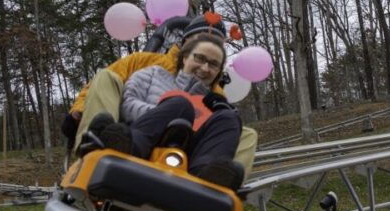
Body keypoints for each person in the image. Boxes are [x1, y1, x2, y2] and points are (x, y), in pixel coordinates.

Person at [61, 13, 258, 177]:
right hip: (133, 132)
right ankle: (95, 146)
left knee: (244, 132)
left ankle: (217, 181)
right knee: (107, 76)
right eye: (200, 43)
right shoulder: (145, 64)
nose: (205, 64)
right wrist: (79, 109)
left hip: (183, 152)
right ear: (186, 42)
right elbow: (103, 85)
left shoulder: (214, 92)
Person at [83, 34, 244, 190]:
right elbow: (127, 105)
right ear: (185, 57)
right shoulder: (153, 74)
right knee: (181, 104)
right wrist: (167, 114)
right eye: (200, 58)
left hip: (187, 162)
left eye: (213, 64)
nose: (205, 68)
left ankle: (207, 177)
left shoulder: (213, 102)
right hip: (143, 144)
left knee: (229, 117)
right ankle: (127, 146)